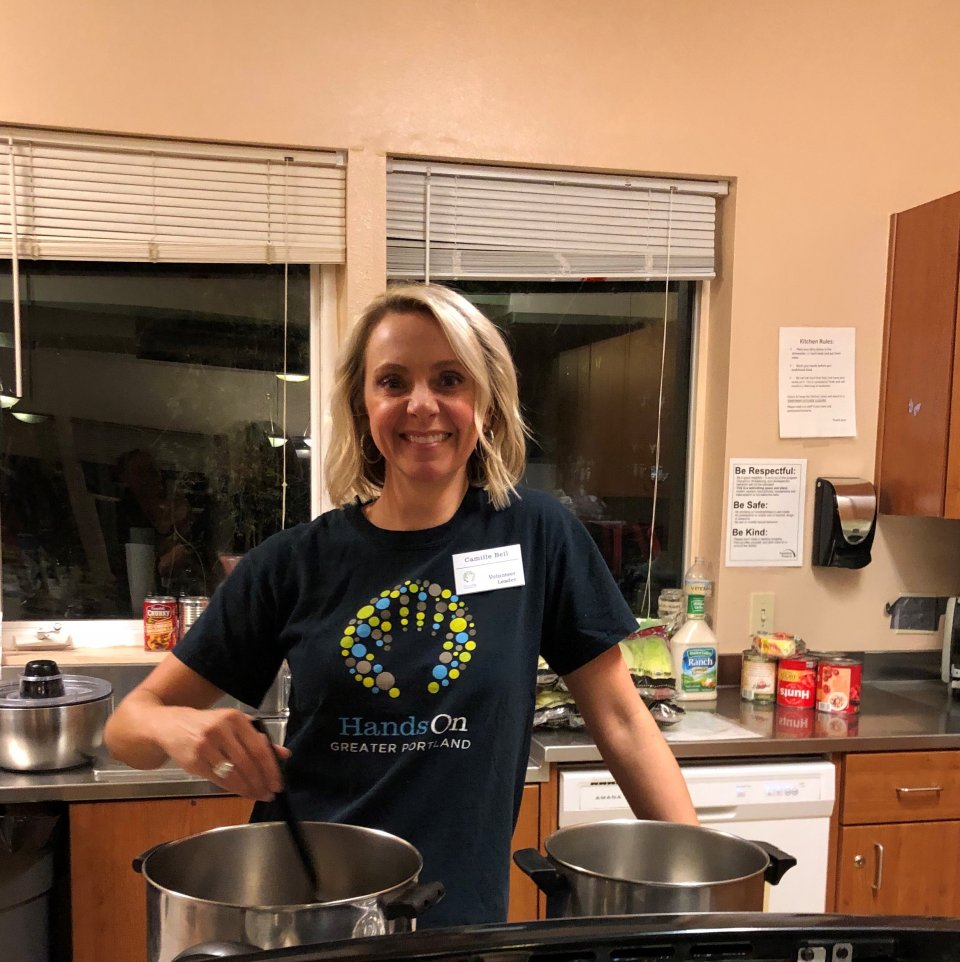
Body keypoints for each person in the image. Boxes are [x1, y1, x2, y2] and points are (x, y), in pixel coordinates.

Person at [104, 283, 698, 929]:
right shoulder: (295, 562)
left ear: (488, 405)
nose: (422, 405)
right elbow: (128, 729)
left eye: (449, 378)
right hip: (305, 912)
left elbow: (621, 720)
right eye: (392, 382)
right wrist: (176, 728)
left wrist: (697, 887)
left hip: (456, 917)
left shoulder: (537, 535)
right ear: (364, 407)